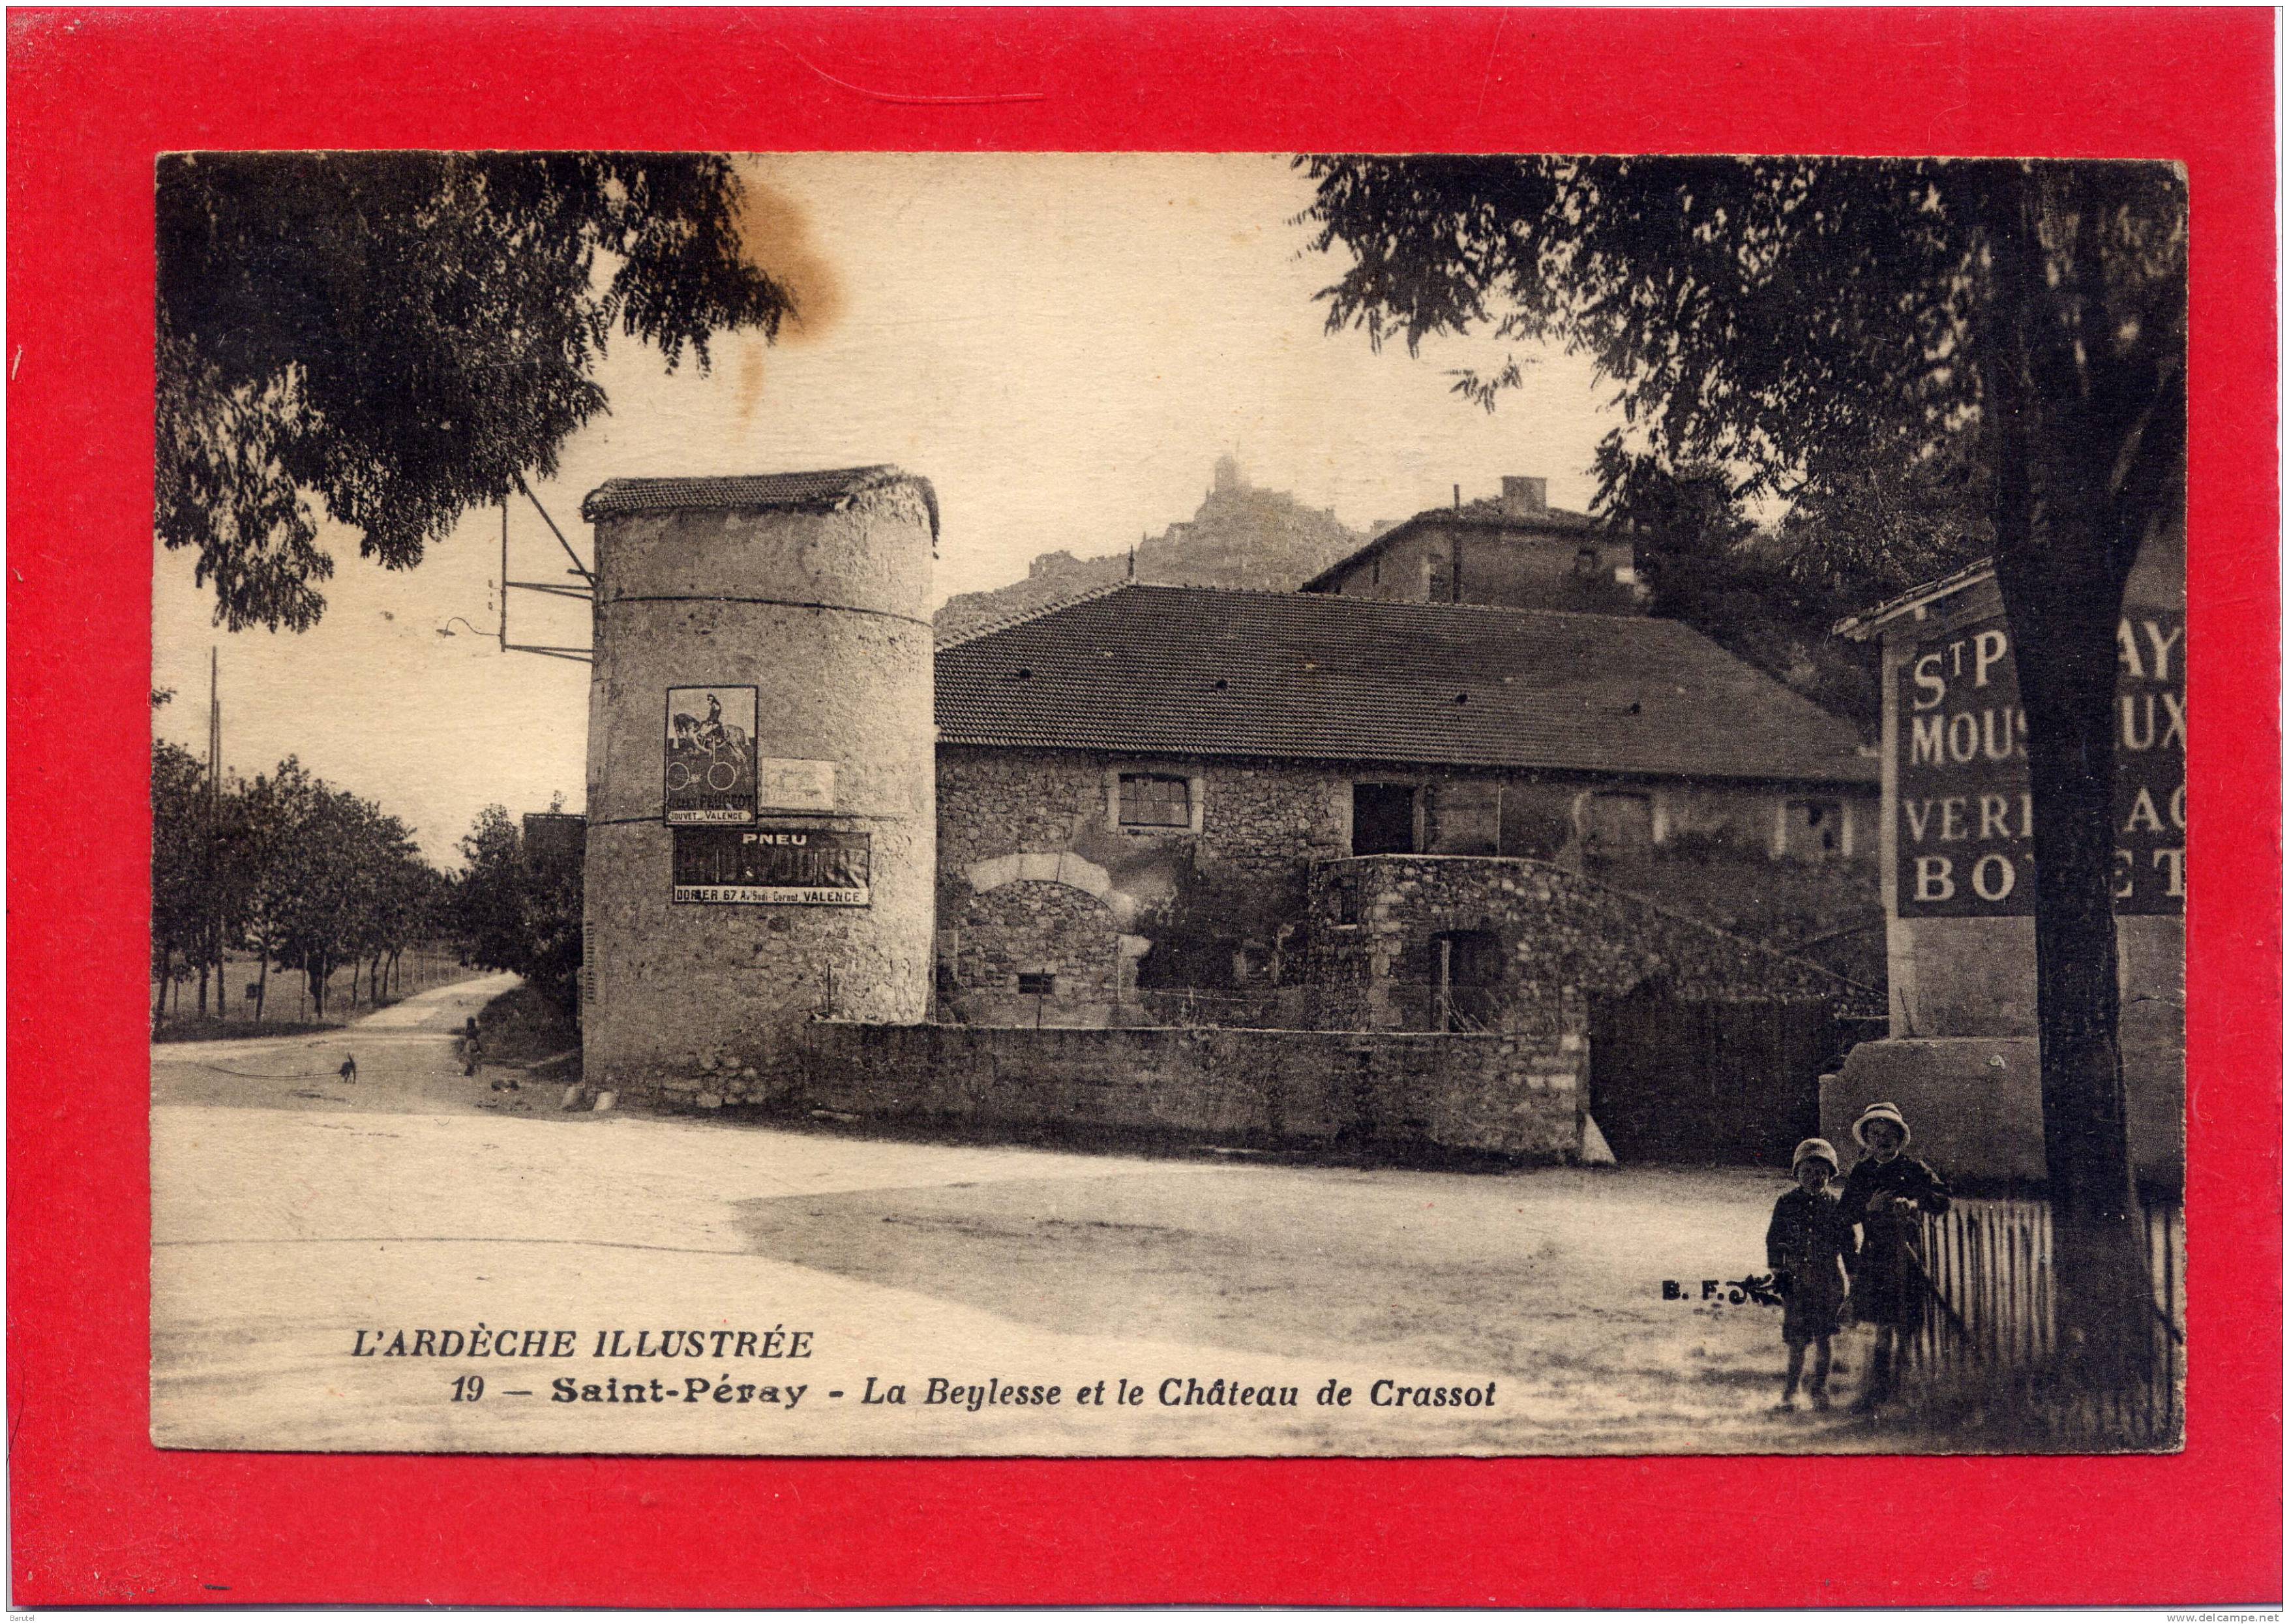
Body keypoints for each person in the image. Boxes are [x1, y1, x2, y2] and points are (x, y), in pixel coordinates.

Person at [1837, 1100, 1951, 1414]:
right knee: (1884, 1323)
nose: (1882, 1139)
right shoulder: (1862, 1172)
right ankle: (1879, 1388)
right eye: (1875, 1134)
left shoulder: (1913, 1169)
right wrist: (1868, 1210)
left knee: (1907, 1322)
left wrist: (1916, 1202)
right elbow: (1844, 1214)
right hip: (1877, 1254)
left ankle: (1903, 1388)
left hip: (1909, 1252)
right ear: (1867, 1139)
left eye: (1889, 1134)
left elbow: (1943, 1198)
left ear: (1900, 1138)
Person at [1766, 1136, 1855, 1412]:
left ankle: (1819, 1389)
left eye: (1821, 1172)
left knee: (1824, 1337)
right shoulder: (1786, 1203)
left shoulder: (1837, 1207)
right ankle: (1791, 1391)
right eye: (1807, 1171)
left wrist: (1853, 1277)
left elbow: (1849, 1245)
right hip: (1795, 1281)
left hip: (1827, 1280)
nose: (1814, 1178)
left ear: (1831, 1175)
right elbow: (1774, 1239)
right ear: (1797, 1174)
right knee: (1796, 1339)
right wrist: (1778, 1270)